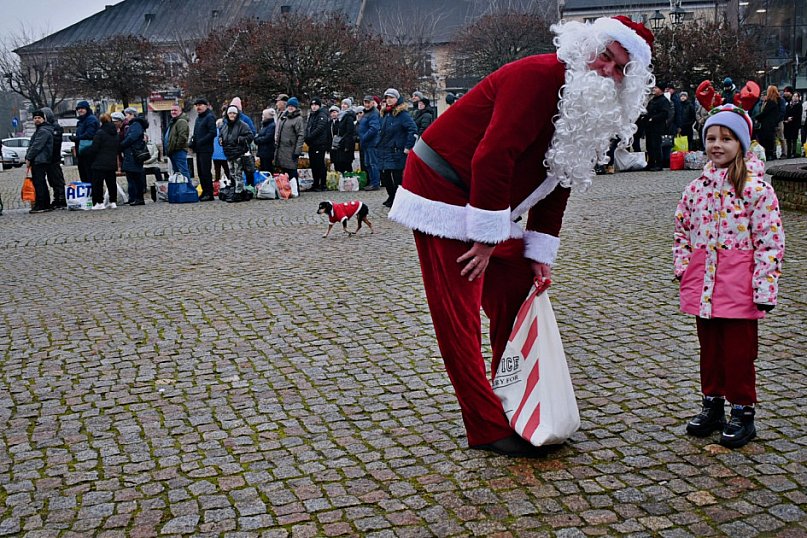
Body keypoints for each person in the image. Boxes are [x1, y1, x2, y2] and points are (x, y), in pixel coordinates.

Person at [387, 16, 654, 457]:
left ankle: (516, 400)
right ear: (588, 46)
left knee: (514, 295)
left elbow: (561, 181)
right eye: (606, 56)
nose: (608, 70)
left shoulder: (588, 108)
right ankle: (487, 426)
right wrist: (489, 238)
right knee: (459, 314)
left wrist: (538, 249)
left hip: (488, 203)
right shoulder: (539, 75)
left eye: (621, 68)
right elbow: (494, 155)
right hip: (443, 185)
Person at [674, 104, 784, 449]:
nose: (716, 144)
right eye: (711, 137)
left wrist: (765, 286)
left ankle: (742, 411)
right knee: (710, 350)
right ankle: (713, 404)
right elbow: (682, 230)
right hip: (704, 285)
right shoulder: (696, 189)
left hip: (740, 287)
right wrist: (683, 267)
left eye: (725, 138)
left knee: (738, 353)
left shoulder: (757, 190)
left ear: (742, 143)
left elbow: (770, 241)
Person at [378, 88, 417, 207]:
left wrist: (408, 146)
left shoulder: (402, 114)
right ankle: (391, 196)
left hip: (397, 150)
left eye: (391, 98)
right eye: (387, 98)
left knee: (397, 177)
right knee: (385, 176)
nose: (389, 100)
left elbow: (413, 129)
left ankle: (398, 198)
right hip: (385, 149)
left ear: (397, 99)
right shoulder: (386, 113)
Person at [219, 105, 254, 202]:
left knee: (238, 173)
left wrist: (240, 139)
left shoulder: (242, 125)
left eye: (234, 113)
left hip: (239, 153)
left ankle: (239, 192)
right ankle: (238, 190)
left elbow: (250, 136)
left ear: (237, 114)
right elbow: (221, 135)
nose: (232, 115)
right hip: (229, 153)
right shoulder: (225, 126)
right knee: (232, 173)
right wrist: (220, 140)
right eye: (230, 113)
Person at [87, 114, 120, 210]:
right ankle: (113, 201)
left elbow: (94, 148)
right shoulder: (115, 133)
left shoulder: (100, 133)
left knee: (98, 183)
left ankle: (99, 202)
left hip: (99, 162)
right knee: (111, 182)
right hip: (111, 162)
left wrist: (87, 153)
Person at [24, 109, 54, 214]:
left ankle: (42, 204)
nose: (37, 120)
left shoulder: (43, 131)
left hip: (40, 160)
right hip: (39, 159)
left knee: (39, 183)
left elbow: (36, 146)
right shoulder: (40, 130)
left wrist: (28, 157)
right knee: (40, 182)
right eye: (35, 118)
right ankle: (43, 203)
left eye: (39, 118)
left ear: (43, 119)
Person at [190, 98, 217, 201]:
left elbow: (212, 132)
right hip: (199, 149)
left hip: (206, 148)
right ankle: (204, 191)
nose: (198, 107)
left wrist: (201, 141)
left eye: (200, 105)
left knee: (206, 171)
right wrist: (192, 142)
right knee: (200, 172)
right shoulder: (198, 118)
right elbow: (196, 133)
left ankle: (209, 193)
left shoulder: (209, 117)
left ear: (206, 106)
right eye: (196, 105)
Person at [119, 109, 148, 206]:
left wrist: (122, 145)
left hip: (133, 154)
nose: (125, 117)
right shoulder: (133, 125)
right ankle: (133, 197)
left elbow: (131, 138)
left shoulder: (136, 125)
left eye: (126, 115)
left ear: (132, 115)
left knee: (135, 177)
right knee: (131, 176)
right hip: (131, 153)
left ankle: (138, 198)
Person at [274, 97, 305, 182]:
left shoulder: (298, 119)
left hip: (291, 149)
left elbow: (301, 135)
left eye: (293, 106)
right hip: (281, 148)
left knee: (291, 170)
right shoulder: (284, 117)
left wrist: (297, 151)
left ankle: (295, 189)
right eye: (289, 106)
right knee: (283, 170)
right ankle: (286, 189)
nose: (290, 108)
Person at [42, 107, 66, 209]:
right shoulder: (49, 127)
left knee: (57, 179)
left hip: (54, 158)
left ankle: (61, 198)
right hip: (50, 158)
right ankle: (57, 198)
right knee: (52, 179)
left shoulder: (55, 127)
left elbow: (55, 143)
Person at [304, 98, 330, 191]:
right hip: (312, 144)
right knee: (313, 164)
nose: (314, 107)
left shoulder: (322, 115)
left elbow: (319, 128)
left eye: (315, 105)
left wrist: (309, 137)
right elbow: (308, 127)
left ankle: (322, 184)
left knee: (320, 164)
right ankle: (315, 183)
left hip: (320, 143)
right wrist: (306, 137)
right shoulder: (312, 115)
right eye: (312, 105)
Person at [71, 100, 99, 182]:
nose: (80, 110)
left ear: (87, 109)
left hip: (89, 152)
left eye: (82, 108)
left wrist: (77, 138)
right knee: (84, 174)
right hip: (82, 152)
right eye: (78, 109)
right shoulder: (81, 121)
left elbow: (90, 134)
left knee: (90, 174)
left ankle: (93, 192)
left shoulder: (91, 119)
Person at [645, 83, 671, 171]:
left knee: (656, 145)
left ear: (661, 90)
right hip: (649, 126)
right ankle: (651, 163)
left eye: (656, 88)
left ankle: (658, 164)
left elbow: (665, 113)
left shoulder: (664, 100)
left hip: (658, 126)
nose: (654, 89)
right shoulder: (653, 100)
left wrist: (653, 118)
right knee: (649, 145)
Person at [359, 95, 382, 191]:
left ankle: (375, 183)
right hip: (366, 143)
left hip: (371, 143)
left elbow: (374, 128)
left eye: (368, 102)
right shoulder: (366, 113)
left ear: (373, 103)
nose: (367, 104)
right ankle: (372, 182)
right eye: (365, 102)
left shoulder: (373, 113)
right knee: (367, 164)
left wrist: (364, 137)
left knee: (373, 163)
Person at [164, 103, 191, 178]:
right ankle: (180, 188)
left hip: (178, 151)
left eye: (175, 110)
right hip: (174, 151)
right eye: (172, 110)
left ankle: (188, 189)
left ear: (180, 111)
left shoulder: (181, 121)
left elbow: (182, 138)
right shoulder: (174, 121)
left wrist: (175, 148)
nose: (173, 112)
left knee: (183, 172)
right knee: (177, 173)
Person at [331, 99, 357, 174]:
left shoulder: (349, 116)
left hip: (346, 143)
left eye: (345, 104)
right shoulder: (341, 116)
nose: (343, 106)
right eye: (342, 104)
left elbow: (349, 131)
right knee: (340, 164)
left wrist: (345, 142)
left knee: (346, 164)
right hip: (341, 143)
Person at [755, 86, 780, 161]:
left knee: (767, 139)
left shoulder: (770, 102)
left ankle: (768, 154)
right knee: (770, 139)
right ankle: (770, 154)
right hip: (771, 123)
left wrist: (757, 117)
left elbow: (764, 113)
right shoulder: (776, 101)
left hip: (767, 124)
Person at [255, 108, 277, 173]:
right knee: (263, 168)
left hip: (267, 152)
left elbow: (267, 137)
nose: (262, 117)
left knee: (267, 168)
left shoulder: (271, 126)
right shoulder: (265, 125)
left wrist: (257, 140)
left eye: (263, 116)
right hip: (263, 151)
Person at [783, 89, 802, 158]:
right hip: (788, 124)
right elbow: (785, 113)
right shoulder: (788, 104)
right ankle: (788, 153)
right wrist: (786, 119)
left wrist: (792, 118)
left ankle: (794, 152)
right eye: (794, 96)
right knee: (788, 139)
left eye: (796, 96)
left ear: (799, 98)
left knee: (794, 138)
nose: (795, 97)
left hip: (795, 124)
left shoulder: (799, 105)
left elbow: (798, 114)